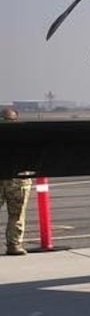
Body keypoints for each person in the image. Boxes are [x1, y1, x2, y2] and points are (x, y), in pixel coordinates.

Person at [3, 108, 29, 256]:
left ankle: (14, 244)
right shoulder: (21, 135)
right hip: (12, 178)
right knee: (16, 214)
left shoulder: (22, 136)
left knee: (17, 214)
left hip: (17, 178)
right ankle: (14, 244)